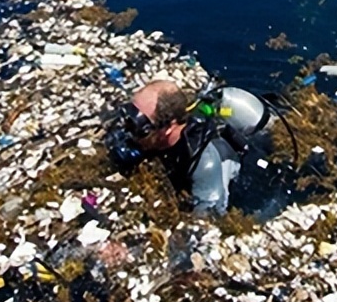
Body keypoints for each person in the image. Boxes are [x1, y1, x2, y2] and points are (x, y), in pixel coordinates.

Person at [103, 78, 274, 214]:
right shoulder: (157, 131)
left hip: (244, 174)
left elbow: (210, 218)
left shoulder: (204, 164)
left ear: (168, 129)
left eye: (139, 127)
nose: (128, 131)